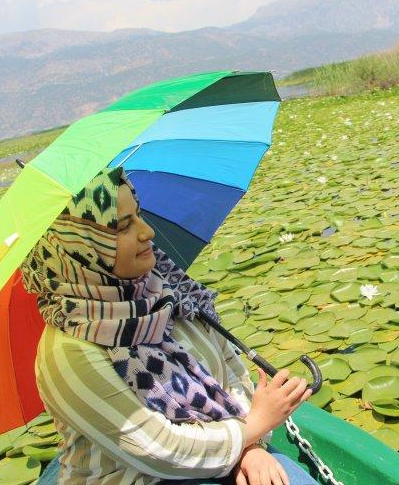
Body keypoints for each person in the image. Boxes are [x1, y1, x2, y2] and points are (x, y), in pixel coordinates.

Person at [21, 167, 316, 485]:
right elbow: (160, 451)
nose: (147, 232)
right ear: (80, 251)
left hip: (227, 447)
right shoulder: (70, 352)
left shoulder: (166, 288)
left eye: (138, 215)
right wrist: (252, 427)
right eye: (123, 226)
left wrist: (249, 446)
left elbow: (230, 371)